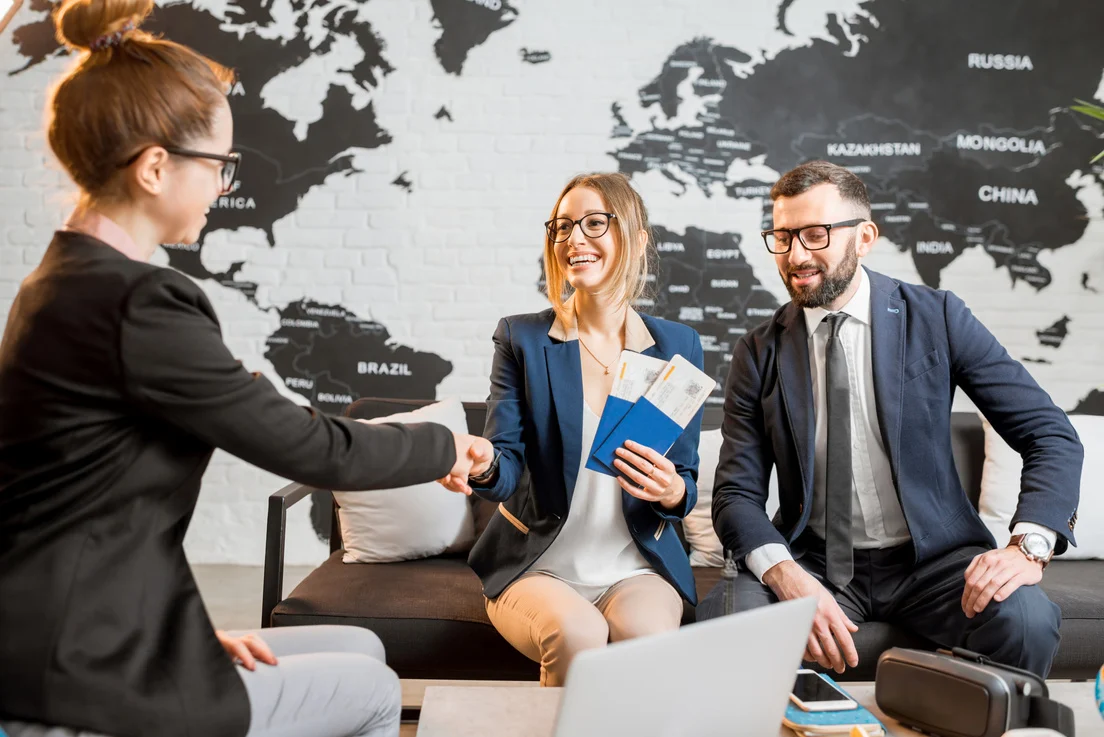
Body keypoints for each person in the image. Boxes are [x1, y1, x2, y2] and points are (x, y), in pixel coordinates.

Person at [0, 2, 490, 735]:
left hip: (69, 641)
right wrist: (449, 444)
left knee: (358, 643)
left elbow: (96, 514)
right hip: (83, 679)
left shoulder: (59, 282)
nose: (225, 184)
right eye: (218, 165)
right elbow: (312, 447)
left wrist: (186, 636)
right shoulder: (140, 304)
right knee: (374, 689)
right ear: (156, 167)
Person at [697, 160, 1082, 679]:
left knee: (1027, 620)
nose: (796, 255)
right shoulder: (758, 351)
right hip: (813, 560)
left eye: (815, 235)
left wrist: (1028, 547)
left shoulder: (938, 317)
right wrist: (786, 575)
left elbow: (1049, 434)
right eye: (783, 237)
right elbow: (736, 495)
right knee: (729, 623)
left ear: (866, 236)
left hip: (936, 565)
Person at [464, 172, 704, 686]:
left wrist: (673, 489)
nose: (574, 239)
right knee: (580, 635)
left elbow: (683, 481)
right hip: (539, 565)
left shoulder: (677, 345)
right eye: (563, 227)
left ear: (635, 239)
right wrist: (484, 464)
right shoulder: (522, 338)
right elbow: (504, 469)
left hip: (636, 566)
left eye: (595, 223)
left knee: (650, 641)